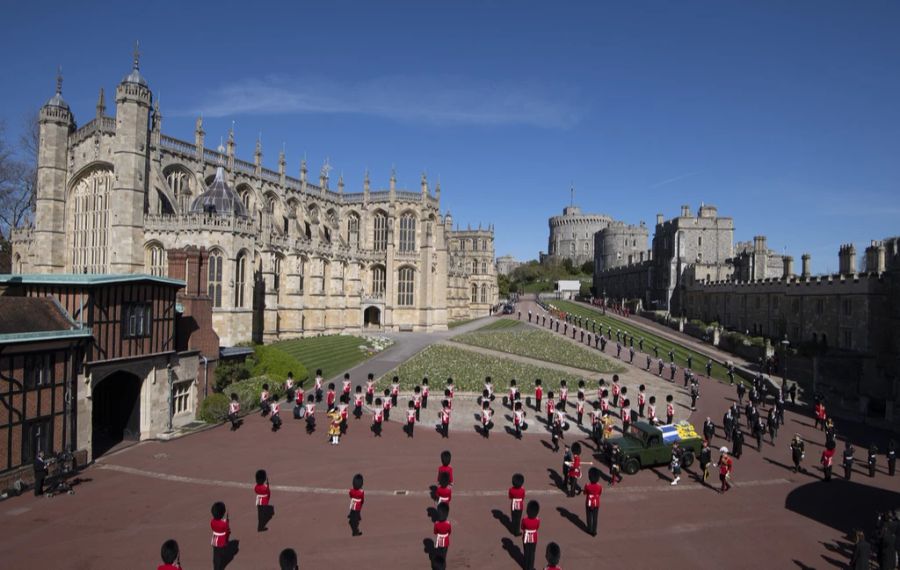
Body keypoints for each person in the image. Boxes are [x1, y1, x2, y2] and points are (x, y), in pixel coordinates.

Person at [210, 501, 231, 570]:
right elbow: (227, 531)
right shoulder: (224, 523)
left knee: (216, 555)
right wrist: (227, 522)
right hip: (221, 540)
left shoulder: (212, 521)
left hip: (214, 539)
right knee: (219, 556)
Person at [521, 500, 541, 570]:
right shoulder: (537, 520)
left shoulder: (524, 520)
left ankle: (526, 567)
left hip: (526, 537)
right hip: (534, 538)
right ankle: (531, 567)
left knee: (526, 552)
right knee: (532, 553)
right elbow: (537, 527)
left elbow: (522, 527)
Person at [584, 467, 602, 537]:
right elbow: (600, 493)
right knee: (595, 517)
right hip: (596, 503)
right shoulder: (599, 486)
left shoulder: (587, 485)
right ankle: (594, 531)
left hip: (588, 502)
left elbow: (585, 493)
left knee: (589, 516)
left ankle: (589, 529)